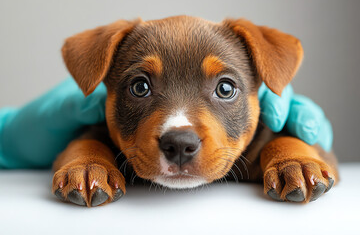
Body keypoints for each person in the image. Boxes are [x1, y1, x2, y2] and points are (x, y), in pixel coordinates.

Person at [0, 78, 333, 169]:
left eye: (225, 88)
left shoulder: (262, 133)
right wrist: (87, 156)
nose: (181, 136)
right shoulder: (109, 134)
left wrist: (291, 151)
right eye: (141, 87)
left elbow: (320, 158)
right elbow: (89, 143)